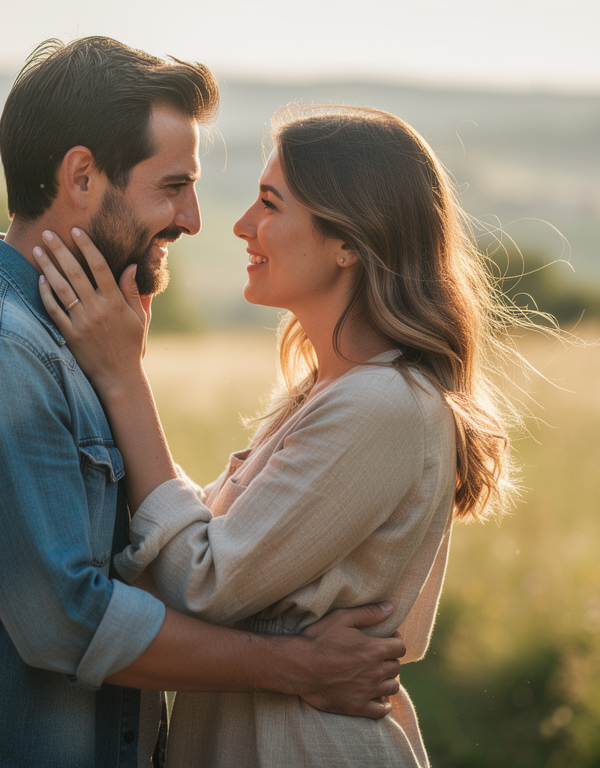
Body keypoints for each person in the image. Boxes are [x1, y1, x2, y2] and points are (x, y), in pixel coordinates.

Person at [0, 39, 404, 768]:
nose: (192, 219)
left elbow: (164, 560)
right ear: (83, 177)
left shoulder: (82, 342)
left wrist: (124, 375)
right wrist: (299, 668)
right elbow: (66, 621)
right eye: (172, 186)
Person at [36, 105, 521, 767]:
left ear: (349, 239)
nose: (240, 226)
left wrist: (123, 376)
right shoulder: (321, 393)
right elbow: (182, 553)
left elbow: (203, 580)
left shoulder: (382, 406)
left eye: (270, 203)